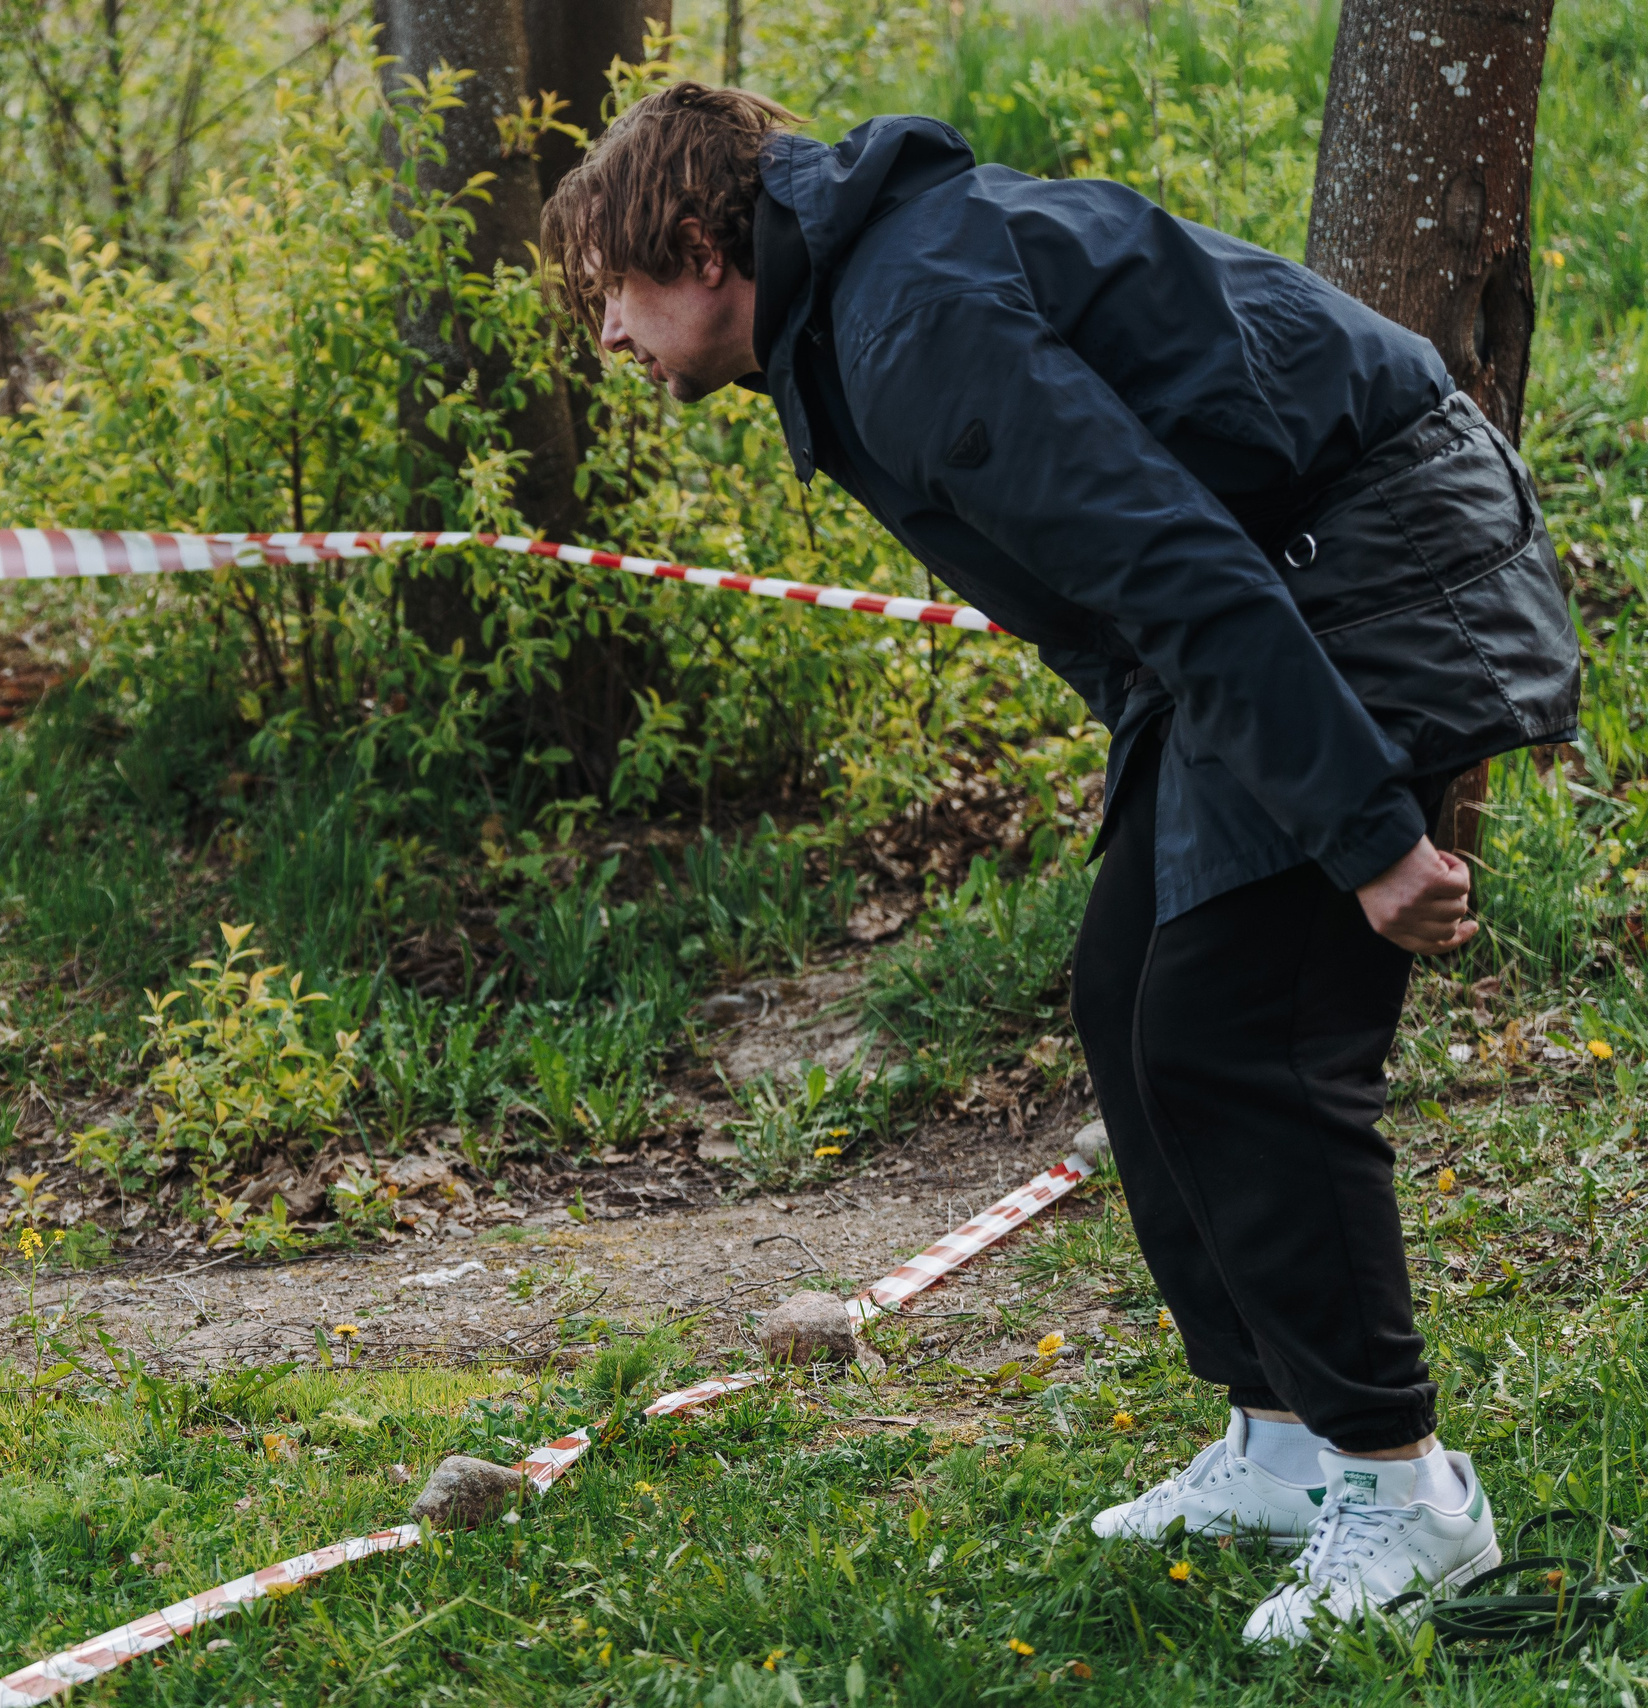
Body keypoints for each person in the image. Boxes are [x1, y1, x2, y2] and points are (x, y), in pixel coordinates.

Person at [540, 85, 1581, 1645]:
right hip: (1270, 583)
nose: (608, 336)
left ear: (697, 246)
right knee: (1125, 990)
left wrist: (1370, 833)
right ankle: (1286, 1446)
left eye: (612, 293)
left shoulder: (910, 323)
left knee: (1244, 1031)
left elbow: (1168, 558)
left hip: (1376, 553)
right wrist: (1166, 752)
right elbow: (1102, 588)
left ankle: (1405, 1488)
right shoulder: (857, 320)